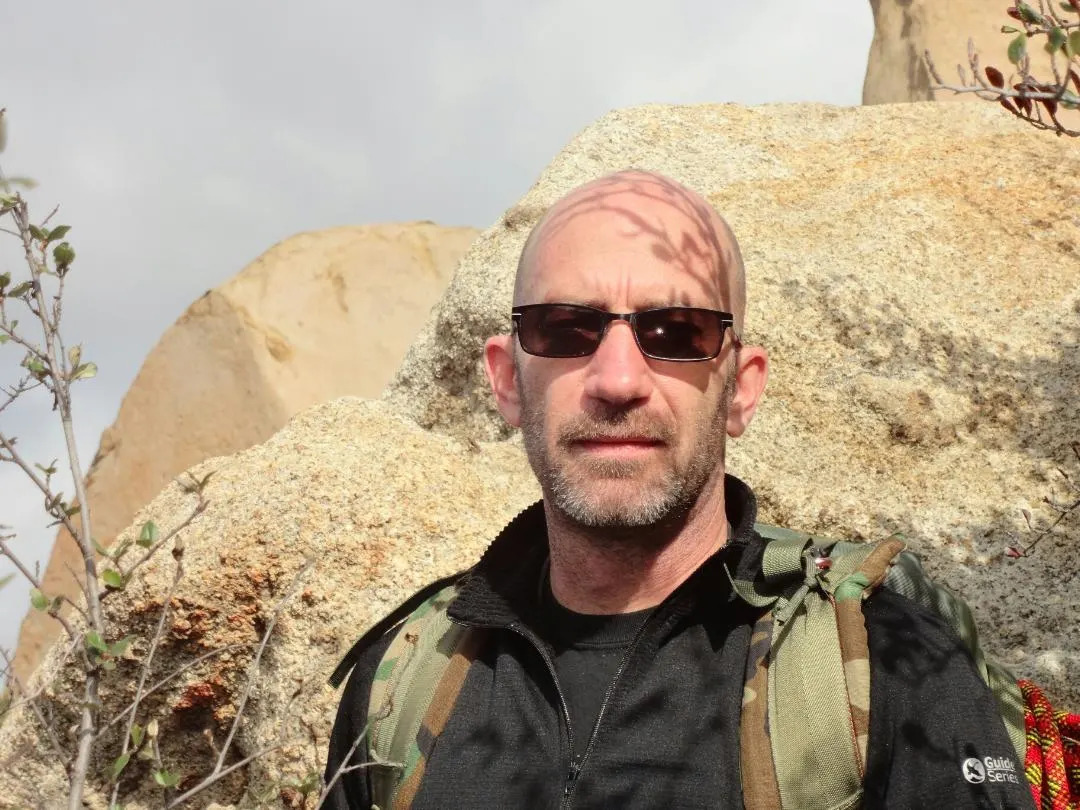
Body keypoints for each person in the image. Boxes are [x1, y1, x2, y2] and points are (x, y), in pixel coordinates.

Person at [324, 170, 1033, 808]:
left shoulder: (884, 672)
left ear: (741, 390)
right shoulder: (404, 680)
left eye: (677, 331)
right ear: (508, 380)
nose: (618, 381)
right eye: (566, 329)